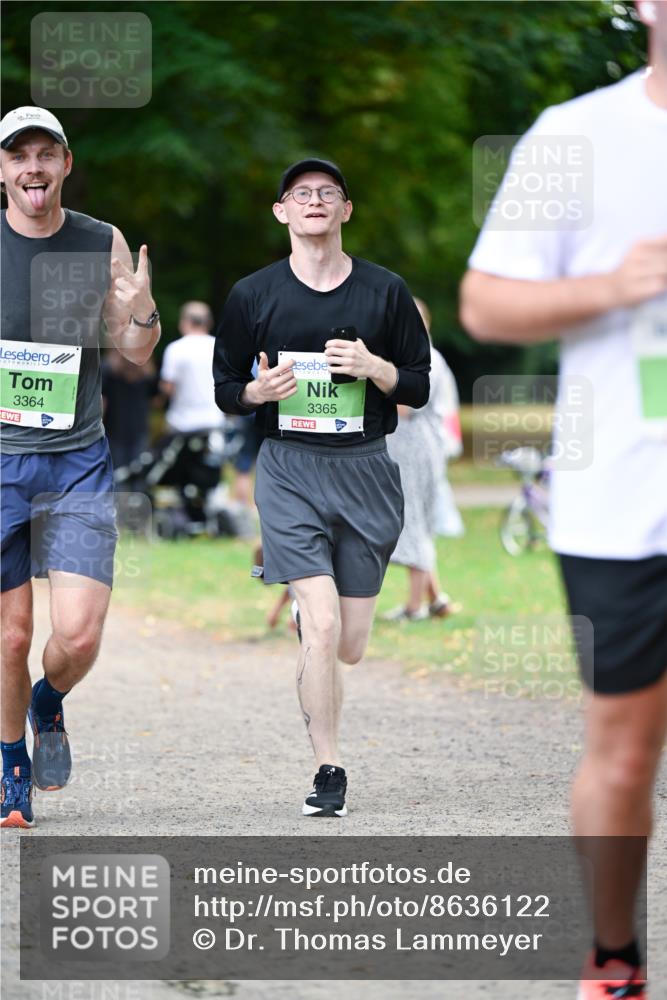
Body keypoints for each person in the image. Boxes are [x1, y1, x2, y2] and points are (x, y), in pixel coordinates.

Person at [460, 3, 666, 995]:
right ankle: (612, 950)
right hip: (624, 499)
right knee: (622, 755)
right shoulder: (573, 134)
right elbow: (484, 303)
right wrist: (613, 285)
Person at [213, 158, 430, 817]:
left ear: (345, 209)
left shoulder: (384, 291)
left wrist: (374, 367)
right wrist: (256, 391)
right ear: (281, 212)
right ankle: (327, 769)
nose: (313, 201)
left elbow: (418, 385)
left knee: (349, 646)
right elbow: (226, 392)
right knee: (323, 621)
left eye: (326, 193)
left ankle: (318, 632)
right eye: (300, 194)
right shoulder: (253, 295)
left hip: (365, 470)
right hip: (288, 469)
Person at [0, 107, 160, 828]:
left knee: (80, 634)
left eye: (45, 154)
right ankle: (11, 769)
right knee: (10, 635)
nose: (32, 167)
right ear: (2, 170)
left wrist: (144, 312)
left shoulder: (101, 242)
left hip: (76, 462)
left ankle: (46, 703)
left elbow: (133, 353)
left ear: (66, 163)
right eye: (18, 156)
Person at [384, 297, 460, 621]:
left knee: (412, 520)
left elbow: (404, 407)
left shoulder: (422, 357)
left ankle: (414, 607)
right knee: (418, 518)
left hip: (415, 447)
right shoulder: (421, 355)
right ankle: (436, 598)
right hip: (414, 444)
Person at [158, 302, 225, 526]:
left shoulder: (177, 348)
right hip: (213, 422)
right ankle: (208, 519)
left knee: (181, 475)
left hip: (183, 423)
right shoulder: (219, 346)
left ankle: (183, 518)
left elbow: (168, 387)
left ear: (184, 322)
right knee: (210, 475)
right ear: (209, 323)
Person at [101, 348, 157, 469]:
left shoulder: (146, 374)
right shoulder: (108, 371)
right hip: (115, 432)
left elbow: (156, 398)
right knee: (119, 474)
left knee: (133, 474)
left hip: (137, 432)